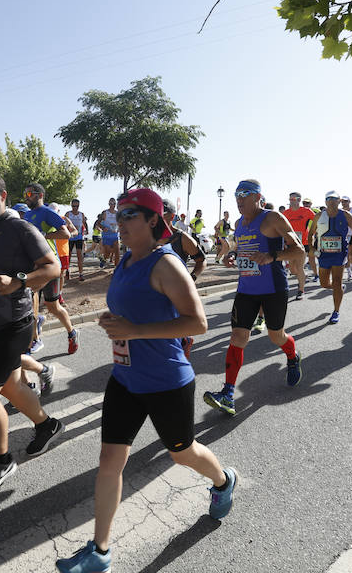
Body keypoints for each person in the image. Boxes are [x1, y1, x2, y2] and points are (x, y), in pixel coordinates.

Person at [56, 189, 237, 573]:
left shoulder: (166, 264)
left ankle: (223, 481)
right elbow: (133, 309)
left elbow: (198, 323)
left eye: (129, 215)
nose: (119, 222)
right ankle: (100, 552)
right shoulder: (125, 259)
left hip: (166, 381)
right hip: (125, 378)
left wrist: (134, 331)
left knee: (182, 453)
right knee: (110, 461)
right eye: (118, 215)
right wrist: (113, 320)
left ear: (153, 220)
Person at [0, 172, 65, 495]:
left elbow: (53, 266)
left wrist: (18, 281)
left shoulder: (20, 228)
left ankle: (1, 460)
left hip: (12, 323)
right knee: (12, 385)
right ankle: (47, 425)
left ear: (2, 195)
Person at [203, 180, 305, 417]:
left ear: (258, 197)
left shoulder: (273, 218)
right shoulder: (239, 223)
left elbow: (299, 249)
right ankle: (228, 393)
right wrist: (231, 256)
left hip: (273, 288)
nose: (239, 198)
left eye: (245, 193)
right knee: (238, 337)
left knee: (276, 336)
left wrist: (272, 256)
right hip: (247, 289)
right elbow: (241, 248)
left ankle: (292, 356)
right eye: (236, 194)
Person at [23, 184, 79, 354]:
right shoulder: (27, 215)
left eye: (29, 193)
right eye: (25, 194)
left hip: (50, 265)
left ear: (40, 195)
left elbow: (66, 234)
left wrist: (44, 235)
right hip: (33, 266)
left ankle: (72, 332)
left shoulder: (47, 213)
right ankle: (33, 341)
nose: (26, 196)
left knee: (53, 307)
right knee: (30, 303)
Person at [161, 199, 206, 359]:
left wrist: (191, 279)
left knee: (170, 332)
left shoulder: (182, 238)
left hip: (176, 292)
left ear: (172, 216)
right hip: (156, 289)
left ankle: (183, 344)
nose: (157, 217)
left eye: (161, 213)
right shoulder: (149, 236)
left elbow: (201, 260)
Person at [312, 192, 352, 324]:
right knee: (324, 284)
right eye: (329, 199)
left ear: (339, 201)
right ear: (325, 201)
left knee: (337, 281)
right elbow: (311, 233)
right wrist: (311, 248)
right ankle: (339, 288)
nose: (331, 201)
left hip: (339, 253)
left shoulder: (346, 215)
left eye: (334, 199)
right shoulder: (319, 215)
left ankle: (336, 311)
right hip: (323, 254)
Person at [283, 192, 316, 300]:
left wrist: (313, 233)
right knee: (292, 269)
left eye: (294, 199)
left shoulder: (306, 211)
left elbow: (316, 220)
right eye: (290, 199)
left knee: (300, 266)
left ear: (299, 200)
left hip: (303, 243)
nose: (292, 201)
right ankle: (302, 277)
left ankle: (301, 290)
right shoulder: (286, 213)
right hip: (291, 243)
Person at [65, 199, 88, 281]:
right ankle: (67, 271)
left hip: (79, 237)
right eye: (73, 206)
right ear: (71, 205)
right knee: (69, 255)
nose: (75, 208)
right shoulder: (68, 214)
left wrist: (87, 230)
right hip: (70, 237)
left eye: (77, 206)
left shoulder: (81, 214)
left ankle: (81, 274)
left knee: (79, 256)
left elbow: (84, 223)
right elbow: (64, 224)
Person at [100, 198, 120, 269]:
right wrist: (103, 228)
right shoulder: (105, 212)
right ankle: (104, 259)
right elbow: (98, 223)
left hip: (115, 235)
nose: (112, 205)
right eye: (111, 203)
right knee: (108, 252)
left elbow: (121, 223)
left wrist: (120, 229)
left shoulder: (118, 213)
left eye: (114, 204)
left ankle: (116, 269)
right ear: (109, 204)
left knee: (117, 252)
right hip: (106, 235)